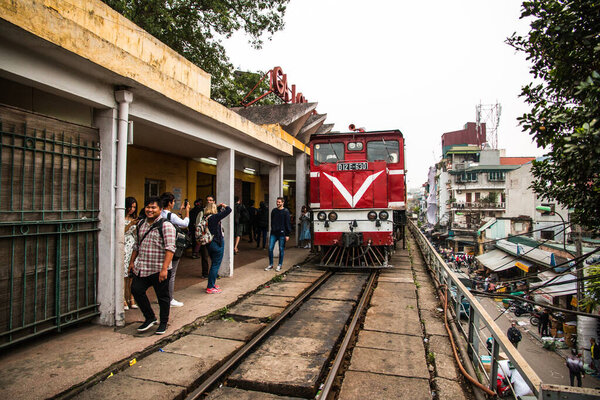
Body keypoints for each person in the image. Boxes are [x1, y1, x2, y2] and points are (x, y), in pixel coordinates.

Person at [128, 196, 177, 335]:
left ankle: (163, 323)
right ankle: (150, 317)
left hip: (159, 269)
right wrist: (132, 262)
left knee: (163, 297)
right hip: (142, 268)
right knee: (136, 290)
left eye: (153, 207)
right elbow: (136, 245)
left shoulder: (166, 226)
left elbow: (170, 248)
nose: (150, 210)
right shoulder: (141, 224)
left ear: (160, 210)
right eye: (148, 207)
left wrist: (164, 269)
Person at [160, 192, 189, 308]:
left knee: (160, 272)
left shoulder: (160, 214)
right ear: (170, 203)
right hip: (171, 246)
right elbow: (184, 224)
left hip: (160, 245)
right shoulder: (170, 215)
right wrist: (187, 211)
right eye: (173, 202)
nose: (173, 204)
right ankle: (170, 299)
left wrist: (180, 212)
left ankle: (161, 296)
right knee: (171, 273)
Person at [203, 201, 232, 293]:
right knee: (215, 265)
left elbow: (219, 213)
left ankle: (212, 283)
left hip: (209, 243)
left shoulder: (206, 218)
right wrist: (224, 205)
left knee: (213, 264)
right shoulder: (214, 218)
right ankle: (210, 287)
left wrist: (218, 207)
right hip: (216, 243)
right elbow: (229, 210)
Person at [265, 197, 291, 272]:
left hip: (282, 234)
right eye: (277, 202)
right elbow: (272, 221)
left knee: (281, 249)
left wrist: (287, 234)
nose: (277, 203)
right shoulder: (274, 211)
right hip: (274, 233)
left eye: (279, 202)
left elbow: (287, 223)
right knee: (270, 248)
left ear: (283, 203)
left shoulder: (286, 211)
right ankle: (271, 264)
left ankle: (280, 265)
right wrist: (272, 229)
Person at [123, 196, 139, 310]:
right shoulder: (120, 217)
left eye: (134, 207)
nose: (132, 209)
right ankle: (123, 299)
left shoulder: (134, 219)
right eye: (130, 206)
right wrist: (129, 225)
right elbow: (120, 232)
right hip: (123, 246)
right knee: (123, 274)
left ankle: (131, 298)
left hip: (132, 247)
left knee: (131, 274)